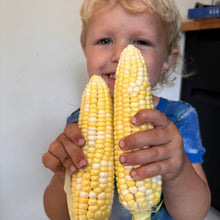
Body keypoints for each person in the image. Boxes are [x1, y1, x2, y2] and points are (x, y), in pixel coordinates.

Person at [42, 0, 211, 219]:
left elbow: (195, 214)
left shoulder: (180, 118)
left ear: (168, 60)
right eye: (105, 40)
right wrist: (62, 176)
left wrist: (177, 172)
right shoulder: (77, 123)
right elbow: (57, 215)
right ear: (85, 51)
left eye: (140, 41)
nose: (120, 55)